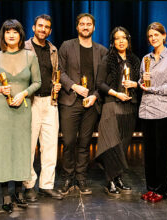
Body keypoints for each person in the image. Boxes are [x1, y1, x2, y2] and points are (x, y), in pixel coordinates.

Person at [0, 19, 41, 213]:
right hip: (1, 109)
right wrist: (0, 88)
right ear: (3, 35)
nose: (11, 35)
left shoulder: (30, 56)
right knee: (2, 150)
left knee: (21, 149)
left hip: (22, 108)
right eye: (7, 32)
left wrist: (24, 93)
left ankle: (19, 192)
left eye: (15, 32)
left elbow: (38, 82)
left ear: (20, 35)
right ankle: (6, 195)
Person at [58, 13, 108, 195]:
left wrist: (95, 95)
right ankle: (67, 177)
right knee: (69, 141)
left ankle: (81, 178)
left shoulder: (102, 51)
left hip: (91, 104)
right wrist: (74, 87)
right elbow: (60, 71)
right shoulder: (66, 46)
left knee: (85, 143)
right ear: (77, 27)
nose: (86, 27)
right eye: (82, 24)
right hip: (70, 101)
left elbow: (103, 79)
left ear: (94, 28)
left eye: (89, 24)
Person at [139, 22, 167, 203]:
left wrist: (154, 89)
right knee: (148, 152)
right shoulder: (145, 58)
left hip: (164, 111)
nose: (153, 38)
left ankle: (162, 190)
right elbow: (143, 80)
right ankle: (151, 188)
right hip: (147, 110)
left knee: (161, 152)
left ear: (164, 36)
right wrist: (141, 83)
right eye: (150, 36)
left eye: (156, 35)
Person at [95, 27, 140, 196]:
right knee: (110, 144)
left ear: (128, 40)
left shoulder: (135, 60)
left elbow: (141, 82)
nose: (121, 41)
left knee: (123, 144)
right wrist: (116, 93)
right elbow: (99, 83)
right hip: (112, 105)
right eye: (117, 38)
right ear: (113, 42)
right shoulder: (108, 59)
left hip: (129, 106)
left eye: (124, 38)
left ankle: (118, 178)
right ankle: (110, 181)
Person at [23, 14, 63, 201]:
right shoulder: (24, 47)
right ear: (33, 27)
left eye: (46, 27)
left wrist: (57, 85)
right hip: (31, 102)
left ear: (50, 30)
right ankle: (29, 185)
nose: (43, 29)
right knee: (29, 147)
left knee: (50, 146)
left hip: (50, 102)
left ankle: (46, 185)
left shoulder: (53, 49)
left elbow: (56, 73)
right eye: (40, 26)